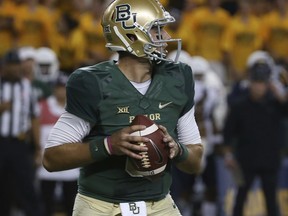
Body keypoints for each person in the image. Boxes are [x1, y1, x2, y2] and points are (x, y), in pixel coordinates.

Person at [42, 0, 203, 215]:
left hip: (158, 203)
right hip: (99, 205)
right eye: (156, 30)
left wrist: (177, 149)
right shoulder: (93, 82)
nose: (165, 37)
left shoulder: (177, 77)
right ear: (131, 36)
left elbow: (195, 162)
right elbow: (51, 158)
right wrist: (108, 145)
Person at [223, 61, 288, 216]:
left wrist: (279, 93)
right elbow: (228, 132)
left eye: (263, 83)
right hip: (246, 161)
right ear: (250, 82)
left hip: (270, 160)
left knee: (272, 201)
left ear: (268, 84)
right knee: (240, 199)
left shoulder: (275, 104)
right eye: (256, 82)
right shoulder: (239, 105)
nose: (259, 87)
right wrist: (228, 155)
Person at [0, 48, 41, 216]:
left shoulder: (27, 87)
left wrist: (38, 147)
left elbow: (34, 118)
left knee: (26, 187)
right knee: (2, 188)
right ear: (4, 67)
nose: (15, 68)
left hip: (20, 144)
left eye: (17, 64)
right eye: (11, 65)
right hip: (1, 143)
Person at [37, 73, 79, 216]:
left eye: (64, 88)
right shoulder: (42, 106)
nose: (61, 91)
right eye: (58, 87)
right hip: (46, 163)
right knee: (46, 203)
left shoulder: (76, 107)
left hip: (71, 165)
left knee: (71, 204)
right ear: (53, 89)